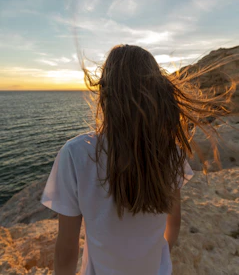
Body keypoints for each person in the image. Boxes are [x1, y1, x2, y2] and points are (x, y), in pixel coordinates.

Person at [40, 44, 234, 275]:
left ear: (104, 94)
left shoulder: (75, 154)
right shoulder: (169, 151)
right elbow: (174, 223)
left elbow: (67, 247)